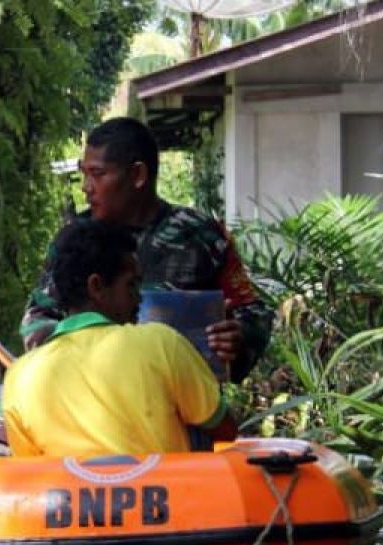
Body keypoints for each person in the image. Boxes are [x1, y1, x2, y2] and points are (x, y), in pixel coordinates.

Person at [19, 117, 272, 381]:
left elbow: (253, 312)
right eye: (84, 173)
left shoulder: (202, 235)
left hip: (186, 407)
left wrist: (238, 336)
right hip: (96, 404)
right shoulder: (74, 240)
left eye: (98, 174)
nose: (86, 187)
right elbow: (36, 319)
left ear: (138, 175)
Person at [2, 217, 237, 457]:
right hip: (167, 494)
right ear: (97, 286)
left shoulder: (20, 377)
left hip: (68, 496)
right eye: (131, 285)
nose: (139, 298)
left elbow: (31, 472)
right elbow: (225, 428)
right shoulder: (162, 343)